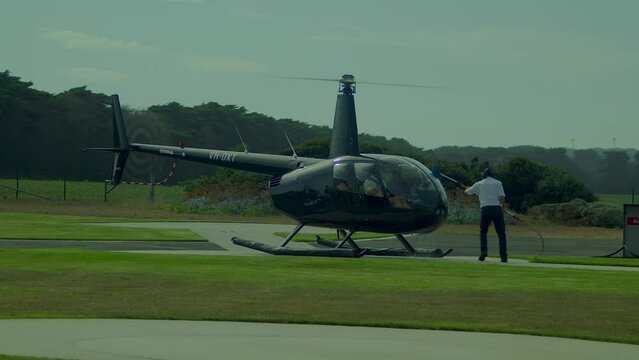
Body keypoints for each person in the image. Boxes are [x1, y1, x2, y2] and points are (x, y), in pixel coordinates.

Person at [464, 168, 508, 262]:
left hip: (485, 209)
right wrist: (502, 208)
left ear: (484, 175)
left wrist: (466, 189)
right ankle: (503, 256)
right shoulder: (498, 183)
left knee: (483, 231)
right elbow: (501, 196)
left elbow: (468, 192)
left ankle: (483, 251)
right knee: (501, 233)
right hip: (497, 208)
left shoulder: (479, 183)